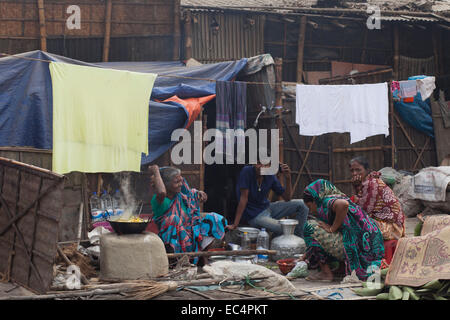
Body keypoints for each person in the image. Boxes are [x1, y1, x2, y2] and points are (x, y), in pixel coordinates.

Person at [301, 179, 384, 281]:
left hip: (357, 248)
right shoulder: (337, 197)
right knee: (319, 227)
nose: (311, 210)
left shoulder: (326, 201)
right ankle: (336, 269)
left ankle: (326, 274)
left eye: (309, 206)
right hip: (368, 247)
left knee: (309, 227)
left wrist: (332, 228)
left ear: (315, 199)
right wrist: (304, 256)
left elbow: (343, 205)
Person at [149, 165, 228, 265]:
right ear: (165, 184)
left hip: (191, 239)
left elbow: (194, 195)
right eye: (176, 182)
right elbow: (161, 192)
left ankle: (203, 256)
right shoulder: (160, 200)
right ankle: (173, 261)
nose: (180, 184)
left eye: (181, 180)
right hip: (174, 243)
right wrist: (156, 170)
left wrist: (201, 194)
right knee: (173, 219)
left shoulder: (182, 195)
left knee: (215, 219)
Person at [226, 161, 309, 238]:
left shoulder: (270, 176)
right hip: (254, 216)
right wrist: (235, 224)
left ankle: (299, 238)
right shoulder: (247, 172)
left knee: (302, 204)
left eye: (265, 164)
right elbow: (244, 198)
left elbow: (287, 198)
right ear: (254, 163)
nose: (261, 167)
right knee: (284, 229)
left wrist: (288, 178)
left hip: (268, 208)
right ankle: (285, 239)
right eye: (259, 163)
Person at [349, 156, 405, 240]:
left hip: (391, 227)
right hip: (384, 222)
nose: (354, 173)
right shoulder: (366, 182)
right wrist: (356, 187)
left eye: (358, 170)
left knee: (354, 225)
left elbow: (363, 211)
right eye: (352, 171)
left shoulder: (371, 183)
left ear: (367, 170)